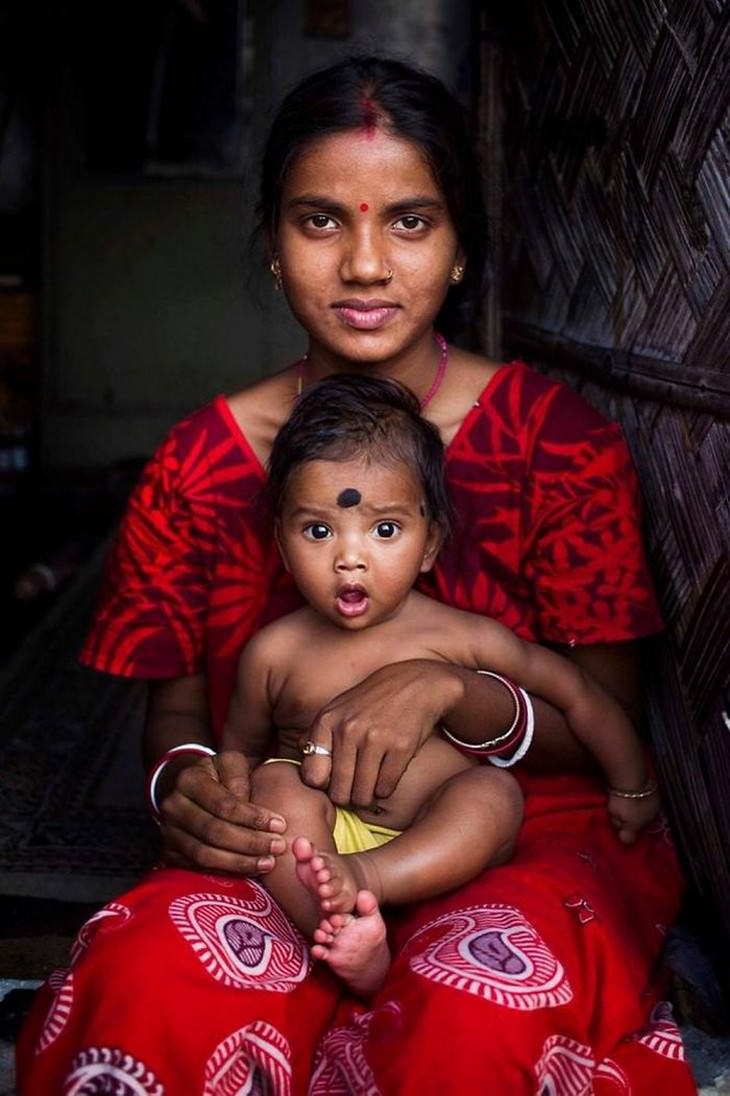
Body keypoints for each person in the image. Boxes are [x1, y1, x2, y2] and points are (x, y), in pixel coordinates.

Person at [17, 54, 693, 1094]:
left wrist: (462, 692)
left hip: (521, 833)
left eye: (411, 222)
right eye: (321, 220)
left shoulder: (558, 446)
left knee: (473, 1016)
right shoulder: (200, 463)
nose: (366, 264)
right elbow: (181, 723)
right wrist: (186, 789)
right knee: (147, 984)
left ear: (463, 249)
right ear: (273, 247)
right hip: (284, 849)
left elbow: (606, 726)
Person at [224, 372, 661, 998]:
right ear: (283, 546)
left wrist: (632, 783)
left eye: (384, 530)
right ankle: (345, 933)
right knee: (272, 784)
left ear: (431, 544)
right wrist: (237, 797)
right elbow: (236, 756)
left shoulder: (462, 637)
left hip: (434, 833)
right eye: (319, 531)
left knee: (491, 794)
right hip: (320, 842)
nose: (350, 557)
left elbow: (580, 696)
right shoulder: (273, 653)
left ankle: (365, 880)